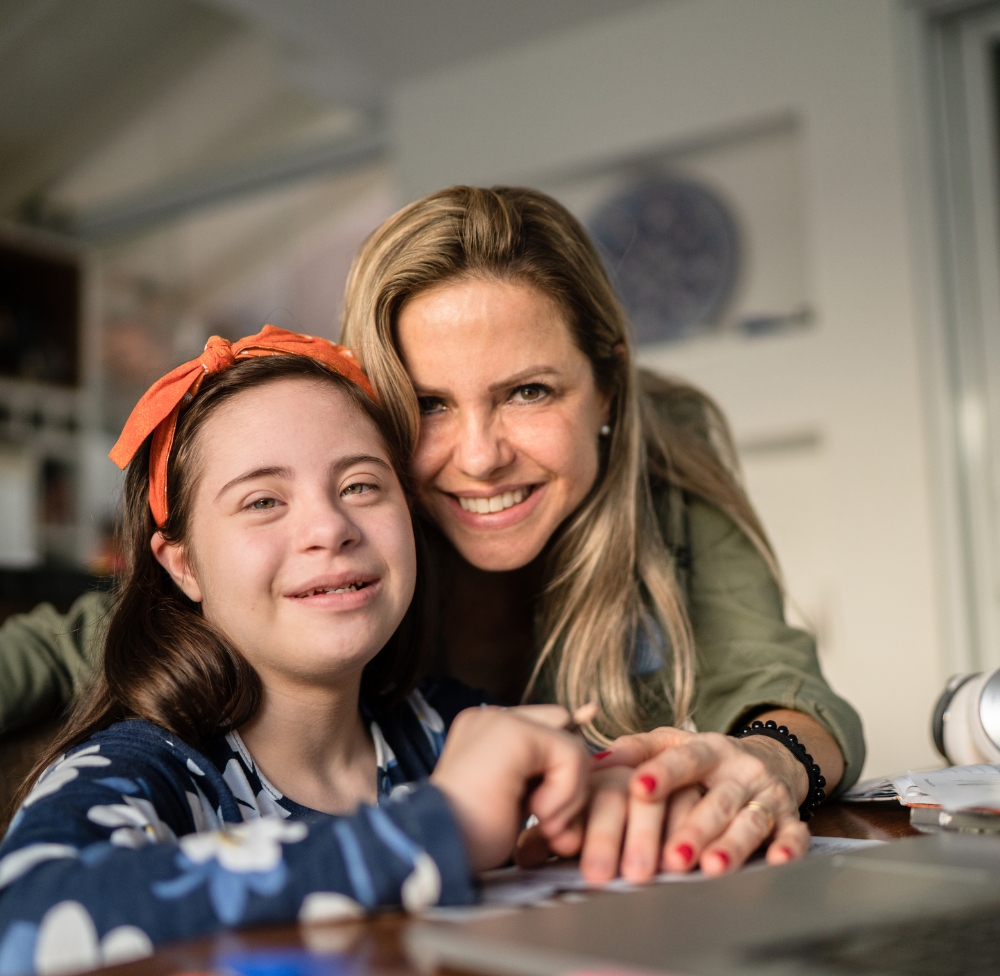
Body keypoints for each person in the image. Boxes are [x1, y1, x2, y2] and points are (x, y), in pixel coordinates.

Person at [0, 186, 864, 880]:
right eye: (429, 406)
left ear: (606, 389)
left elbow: (781, 683)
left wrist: (768, 765)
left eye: (529, 392)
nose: (482, 458)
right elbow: (103, 644)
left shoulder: (660, 476)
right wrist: (432, 830)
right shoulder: (342, 534)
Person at [0, 332, 601, 976]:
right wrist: (434, 829)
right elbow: (21, 923)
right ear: (184, 565)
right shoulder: (149, 771)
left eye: (362, 485)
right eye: (263, 501)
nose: (329, 528)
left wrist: (634, 798)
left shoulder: (456, 730)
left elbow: (597, 808)